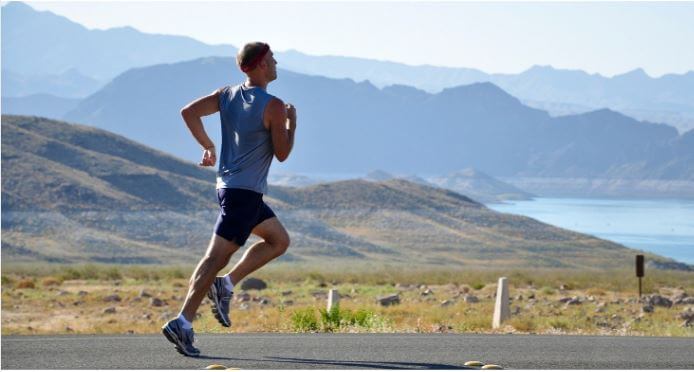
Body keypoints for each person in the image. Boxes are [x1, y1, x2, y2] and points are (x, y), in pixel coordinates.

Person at [162, 42, 296, 357]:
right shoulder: (274, 106)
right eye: (273, 59)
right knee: (214, 258)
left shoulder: (227, 94)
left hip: (232, 189)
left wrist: (208, 145)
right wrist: (292, 122)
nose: (276, 64)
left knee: (278, 241)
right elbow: (282, 153)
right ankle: (182, 322)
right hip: (244, 194)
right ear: (262, 63)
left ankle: (226, 284)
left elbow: (189, 112)